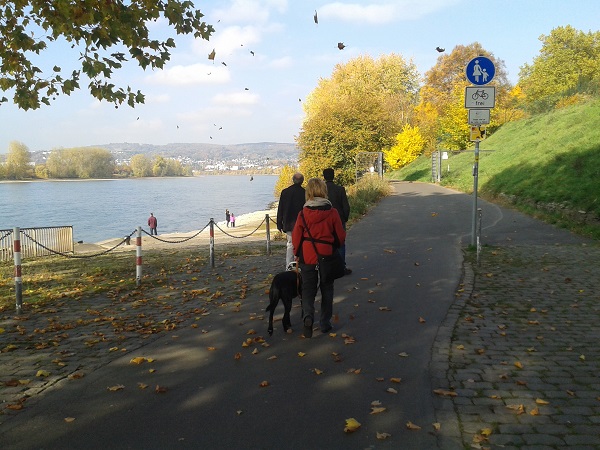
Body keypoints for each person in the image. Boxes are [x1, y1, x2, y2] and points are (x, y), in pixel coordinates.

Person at [292, 177, 346, 338]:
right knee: (327, 289)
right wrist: (333, 245)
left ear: (308, 193)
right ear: (324, 191)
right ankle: (325, 323)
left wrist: (297, 253)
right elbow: (341, 236)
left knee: (307, 290)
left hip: (308, 256)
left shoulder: (303, 214)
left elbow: (296, 238)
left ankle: (308, 316)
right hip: (327, 254)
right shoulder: (333, 212)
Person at [323, 168, 352, 275]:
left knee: (327, 242)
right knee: (340, 243)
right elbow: (346, 206)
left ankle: (329, 266)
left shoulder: (321, 190)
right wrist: (345, 218)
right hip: (339, 219)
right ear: (333, 176)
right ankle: (341, 266)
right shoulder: (340, 189)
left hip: (325, 220)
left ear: (324, 176)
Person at [276, 172, 305, 269]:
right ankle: (299, 265)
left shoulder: (285, 192)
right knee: (302, 244)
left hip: (289, 223)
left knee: (290, 245)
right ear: (302, 181)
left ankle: (289, 266)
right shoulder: (304, 192)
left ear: (293, 180)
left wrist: (279, 223)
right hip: (302, 223)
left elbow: (281, 208)